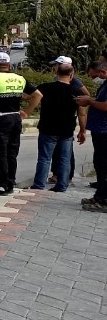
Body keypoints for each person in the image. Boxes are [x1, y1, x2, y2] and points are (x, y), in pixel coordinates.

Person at [0, 52, 40, 196]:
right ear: (9, 65)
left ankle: (0, 185)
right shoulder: (19, 78)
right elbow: (38, 95)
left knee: (0, 153)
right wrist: (26, 112)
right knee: (12, 153)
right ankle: (10, 183)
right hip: (15, 119)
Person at [28, 63, 86, 192]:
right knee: (65, 159)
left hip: (47, 128)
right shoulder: (75, 92)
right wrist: (82, 131)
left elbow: (31, 97)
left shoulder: (45, 88)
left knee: (44, 158)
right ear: (72, 75)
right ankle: (62, 185)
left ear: (56, 73)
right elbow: (82, 114)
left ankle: (39, 185)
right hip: (66, 130)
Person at [47, 56, 90, 187]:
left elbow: (85, 98)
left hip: (66, 122)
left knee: (66, 151)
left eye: (56, 65)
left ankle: (68, 177)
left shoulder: (75, 83)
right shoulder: (58, 79)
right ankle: (56, 174)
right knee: (57, 150)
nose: (54, 67)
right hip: (56, 121)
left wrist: (82, 129)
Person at [79, 62, 107, 212]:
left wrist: (89, 101)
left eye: (94, 75)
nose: (93, 78)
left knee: (105, 166)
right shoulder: (105, 84)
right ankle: (100, 195)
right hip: (100, 131)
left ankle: (104, 200)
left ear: (102, 71)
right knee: (100, 165)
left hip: (105, 131)